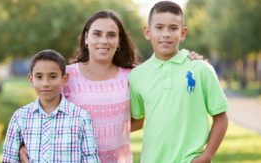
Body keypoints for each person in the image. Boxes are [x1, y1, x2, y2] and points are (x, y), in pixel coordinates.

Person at [19, 10, 204, 163]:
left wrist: (191, 60)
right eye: (97, 34)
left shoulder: (133, 76)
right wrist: (23, 145)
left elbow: (141, 117)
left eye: (111, 35)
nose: (104, 41)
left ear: (118, 42)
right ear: (86, 38)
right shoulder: (66, 76)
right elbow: (38, 115)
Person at [129, 1, 228, 163]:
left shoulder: (201, 69)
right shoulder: (136, 76)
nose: (166, 34)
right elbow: (138, 121)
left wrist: (207, 155)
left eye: (173, 28)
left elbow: (221, 117)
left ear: (182, 33)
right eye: (159, 27)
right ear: (147, 32)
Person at [2, 49, 100, 163]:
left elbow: (91, 159)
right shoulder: (19, 118)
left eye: (53, 77)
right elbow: (9, 158)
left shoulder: (81, 118)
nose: (45, 83)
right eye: (39, 77)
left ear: (64, 79)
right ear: (31, 79)